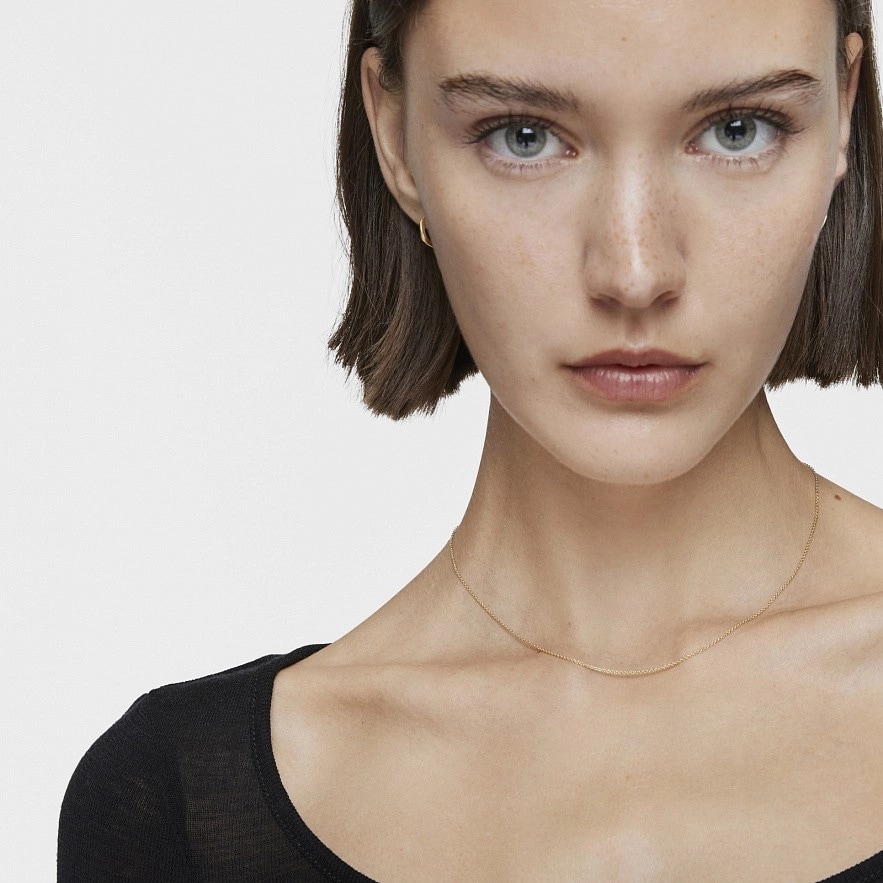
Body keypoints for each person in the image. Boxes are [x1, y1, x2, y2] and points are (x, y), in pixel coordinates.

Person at [58, 0, 883, 879]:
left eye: (736, 130)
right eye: (523, 137)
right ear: (395, 137)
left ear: (842, 108)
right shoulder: (177, 810)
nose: (634, 272)